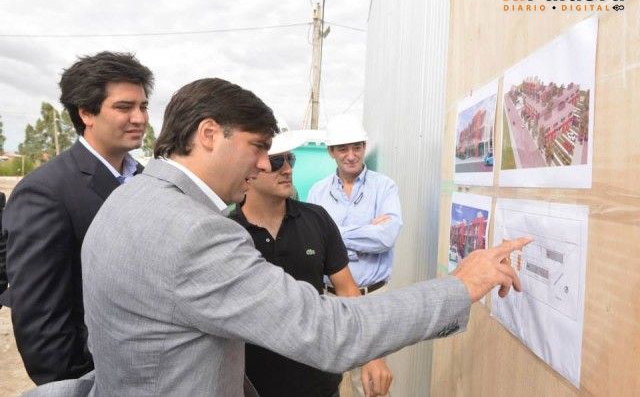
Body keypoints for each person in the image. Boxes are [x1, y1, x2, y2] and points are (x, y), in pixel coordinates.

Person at [81, 77, 529, 396]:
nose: (266, 165)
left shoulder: (128, 198)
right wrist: (460, 286)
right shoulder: (195, 231)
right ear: (210, 134)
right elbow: (329, 331)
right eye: (259, 148)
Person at [2, 51, 153, 384]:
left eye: (143, 106)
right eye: (124, 107)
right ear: (86, 113)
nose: (139, 118)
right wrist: (79, 384)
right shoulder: (46, 191)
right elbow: (41, 321)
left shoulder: (148, 181)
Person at [229, 130, 392, 397]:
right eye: (277, 161)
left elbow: (347, 290)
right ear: (251, 167)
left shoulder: (317, 219)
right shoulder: (227, 232)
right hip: (252, 385)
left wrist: (372, 356)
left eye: (290, 160)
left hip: (318, 382)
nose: (287, 170)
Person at [306, 114, 402, 395]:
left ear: (364, 147)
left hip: (373, 298)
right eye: (343, 149)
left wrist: (333, 234)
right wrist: (365, 230)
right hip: (331, 300)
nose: (351, 156)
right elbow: (314, 242)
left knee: (371, 383)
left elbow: (385, 237)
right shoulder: (318, 192)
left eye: (357, 147)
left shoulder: (384, 187)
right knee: (328, 380)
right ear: (331, 152)